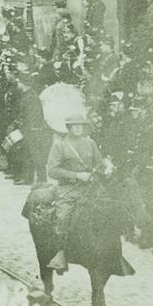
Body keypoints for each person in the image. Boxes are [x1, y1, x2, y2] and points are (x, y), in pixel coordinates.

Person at [45, 112, 107, 273]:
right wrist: (76, 175)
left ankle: (111, 251)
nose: (78, 128)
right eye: (75, 125)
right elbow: (52, 170)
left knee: (108, 210)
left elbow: (99, 164)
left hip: (91, 188)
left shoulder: (90, 143)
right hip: (69, 189)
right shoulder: (60, 145)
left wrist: (102, 169)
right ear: (69, 127)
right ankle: (60, 254)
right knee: (63, 217)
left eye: (81, 125)